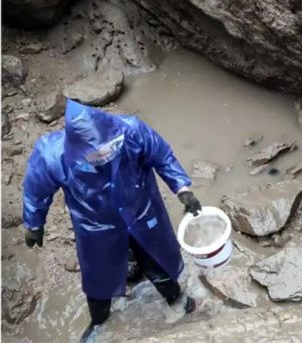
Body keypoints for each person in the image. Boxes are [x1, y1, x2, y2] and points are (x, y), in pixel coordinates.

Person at [22, 100, 203, 341]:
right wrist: (34, 224)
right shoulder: (52, 154)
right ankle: (99, 321)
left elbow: (162, 155)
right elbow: (36, 190)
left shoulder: (132, 130)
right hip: (96, 226)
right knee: (98, 275)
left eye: (109, 148)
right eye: (97, 153)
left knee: (157, 258)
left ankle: (176, 300)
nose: (106, 155)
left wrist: (182, 189)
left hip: (142, 211)